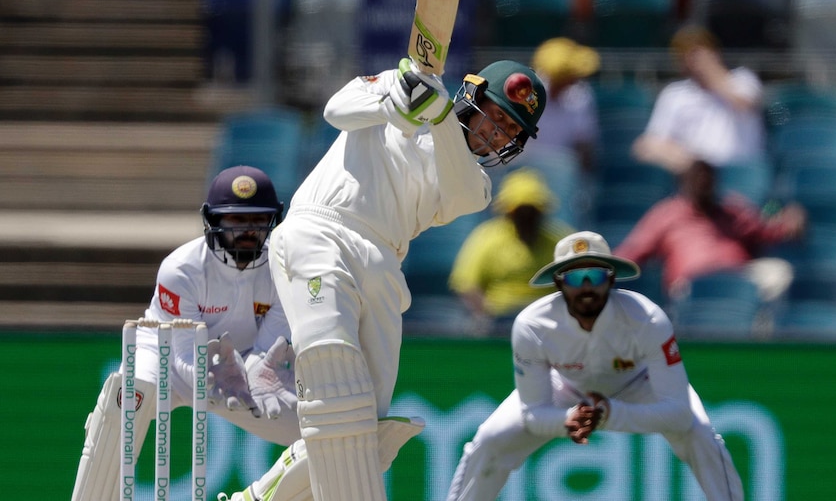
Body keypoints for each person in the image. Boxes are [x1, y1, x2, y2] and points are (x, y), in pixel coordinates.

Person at [219, 57, 547, 501]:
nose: (497, 134)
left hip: (383, 264)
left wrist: (437, 115)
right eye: (497, 118)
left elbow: (458, 186)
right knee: (331, 374)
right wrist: (395, 102)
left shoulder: (476, 183)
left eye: (510, 132)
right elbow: (336, 111)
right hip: (322, 230)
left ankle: (255, 498)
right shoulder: (404, 85)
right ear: (473, 97)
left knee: (369, 437)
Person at [446, 230, 744, 501]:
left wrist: (609, 415)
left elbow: (678, 414)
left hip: (639, 382)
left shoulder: (648, 318)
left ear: (612, 279)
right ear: (559, 282)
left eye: (596, 277)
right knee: (490, 440)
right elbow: (533, 415)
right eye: (575, 278)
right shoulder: (532, 325)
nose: (586, 287)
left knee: (701, 434)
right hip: (566, 385)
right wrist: (569, 419)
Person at [72, 165, 301, 501]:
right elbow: (180, 357)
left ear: (273, 221)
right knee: (127, 399)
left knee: (321, 428)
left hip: (241, 374)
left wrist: (252, 376)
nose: (247, 231)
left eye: (257, 219)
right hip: (166, 357)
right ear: (213, 221)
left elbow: (266, 351)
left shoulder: (283, 270)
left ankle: (255, 497)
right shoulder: (182, 270)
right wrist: (212, 377)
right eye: (236, 221)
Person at [614, 159, 807, 307]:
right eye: (697, 176)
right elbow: (634, 250)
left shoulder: (731, 210)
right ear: (685, 182)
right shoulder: (666, 213)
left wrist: (790, 222)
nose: (703, 182)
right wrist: (603, 266)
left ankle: (758, 337)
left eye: (707, 177)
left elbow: (766, 230)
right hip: (690, 285)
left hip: (737, 278)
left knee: (779, 272)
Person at [449, 167, 573, 335]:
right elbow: (467, 284)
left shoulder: (559, 241)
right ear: (508, 213)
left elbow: (575, 280)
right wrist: (486, 314)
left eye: (532, 211)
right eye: (520, 212)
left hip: (550, 321)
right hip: (499, 322)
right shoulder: (486, 237)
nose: (526, 217)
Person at [632, 24, 766, 175]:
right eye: (685, 53)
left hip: (741, 172)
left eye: (698, 51)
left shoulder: (743, 79)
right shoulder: (674, 94)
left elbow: (744, 103)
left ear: (715, 52)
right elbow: (647, 145)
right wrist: (684, 159)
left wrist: (710, 71)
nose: (693, 59)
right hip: (695, 175)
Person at [529, 37, 601, 174]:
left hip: (565, 175)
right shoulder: (526, 93)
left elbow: (584, 147)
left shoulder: (581, 96)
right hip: (525, 171)